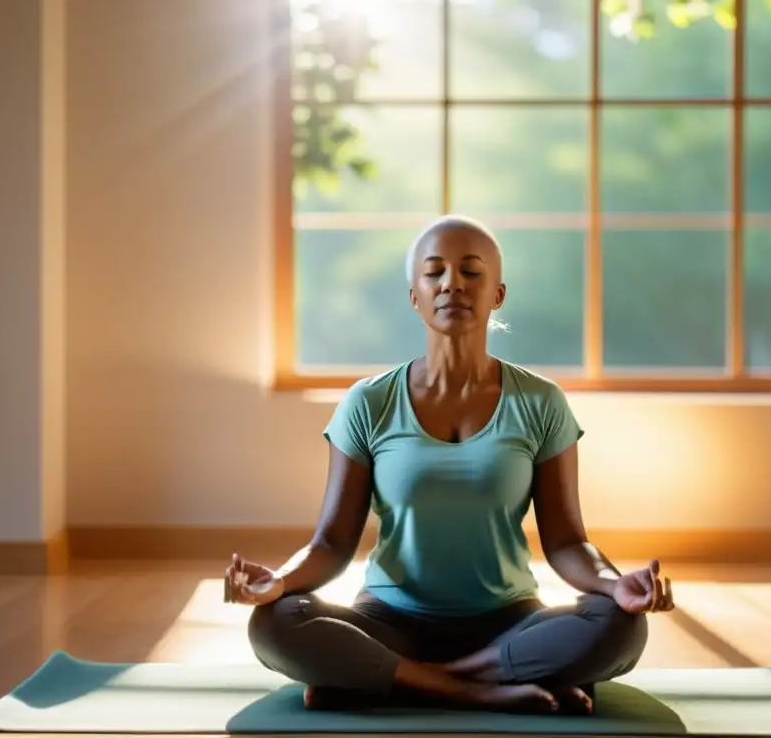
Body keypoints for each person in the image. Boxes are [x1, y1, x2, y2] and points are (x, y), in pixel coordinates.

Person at [226, 215, 675, 715]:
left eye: (471, 272)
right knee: (274, 622)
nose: (452, 284)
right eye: (434, 272)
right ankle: (477, 689)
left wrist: (616, 586)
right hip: (390, 623)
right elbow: (331, 544)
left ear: (497, 295)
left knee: (621, 625)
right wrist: (279, 581)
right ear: (414, 296)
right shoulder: (368, 402)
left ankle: (391, 682)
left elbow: (568, 542)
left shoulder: (542, 402)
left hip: (509, 625)